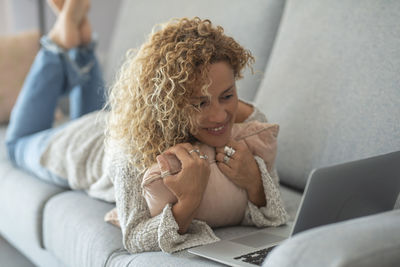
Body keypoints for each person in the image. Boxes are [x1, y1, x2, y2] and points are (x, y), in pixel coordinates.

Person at [5, 0, 288, 253]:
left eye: (227, 96)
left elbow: (257, 129)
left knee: (92, 110)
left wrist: (254, 182)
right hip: (82, 145)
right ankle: (58, 46)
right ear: (168, 102)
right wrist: (187, 202)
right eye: (199, 104)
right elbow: (135, 237)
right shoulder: (131, 148)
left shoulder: (241, 117)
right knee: (17, 145)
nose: (219, 115)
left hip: (110, 119)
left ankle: (80, 41)